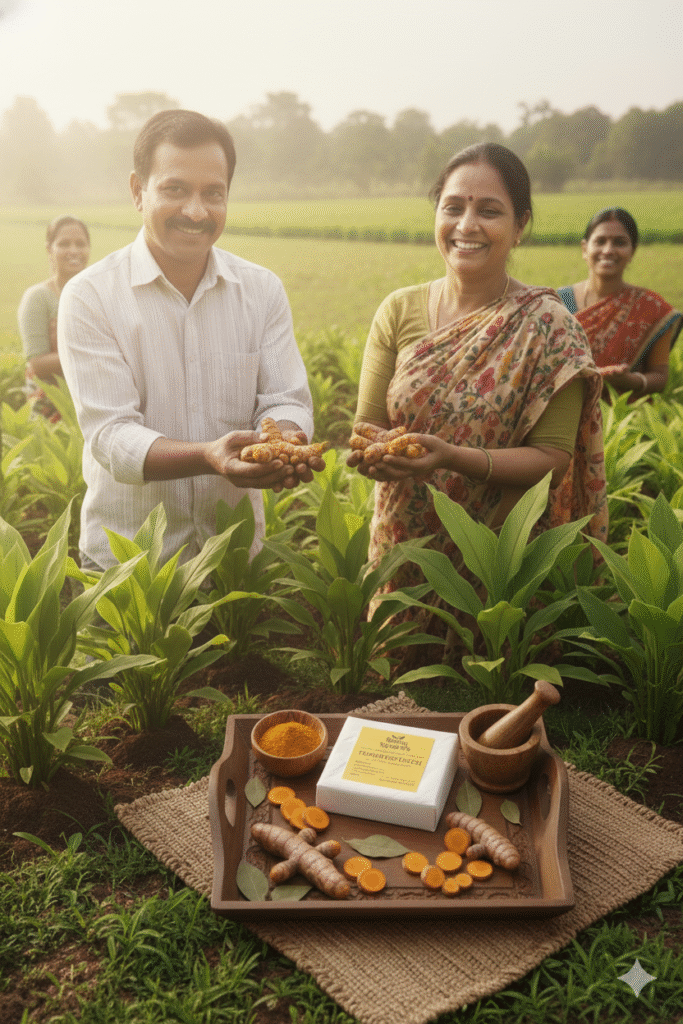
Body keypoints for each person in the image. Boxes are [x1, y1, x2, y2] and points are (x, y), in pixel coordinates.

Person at [348, 143, 607, 619]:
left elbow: (552, 460)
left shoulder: (551, 326)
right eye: (453, 207)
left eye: (489, 211)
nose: (467, 226)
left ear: (520, 226)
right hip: (402, 547)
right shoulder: (399, 309)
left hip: (498, 553)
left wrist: (450, 457)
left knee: (489, 681)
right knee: (394, 685)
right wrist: (376, 455)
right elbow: (367, 426)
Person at [58, 109, 321, 572]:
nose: (197, 211)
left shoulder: (261, 290)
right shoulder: (91, 296)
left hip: (235, 557)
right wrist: (209, 456)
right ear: (139, 192)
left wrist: (287, 442)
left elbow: (285, 398)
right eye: (175, 189)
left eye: (213, 193)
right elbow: (112, 436)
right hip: (132, 568)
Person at [557, 208, 682, 398]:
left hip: (621, 418)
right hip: (565, 415)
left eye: (620, 242)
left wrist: (631, 381)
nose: (608, 250)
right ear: (585, 249)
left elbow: (659, 375)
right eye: (600, 241)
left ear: (632, 251)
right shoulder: (558, 301)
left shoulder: (651, 308)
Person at [17, 216, 91, 419]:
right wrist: (93, 353)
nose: (74, 251)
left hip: (92, 402)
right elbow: (38, 365)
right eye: (64, 244)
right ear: (50, 249)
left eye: (80, 244)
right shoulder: (38, 297)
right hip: (50, 406)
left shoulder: (97, 294)